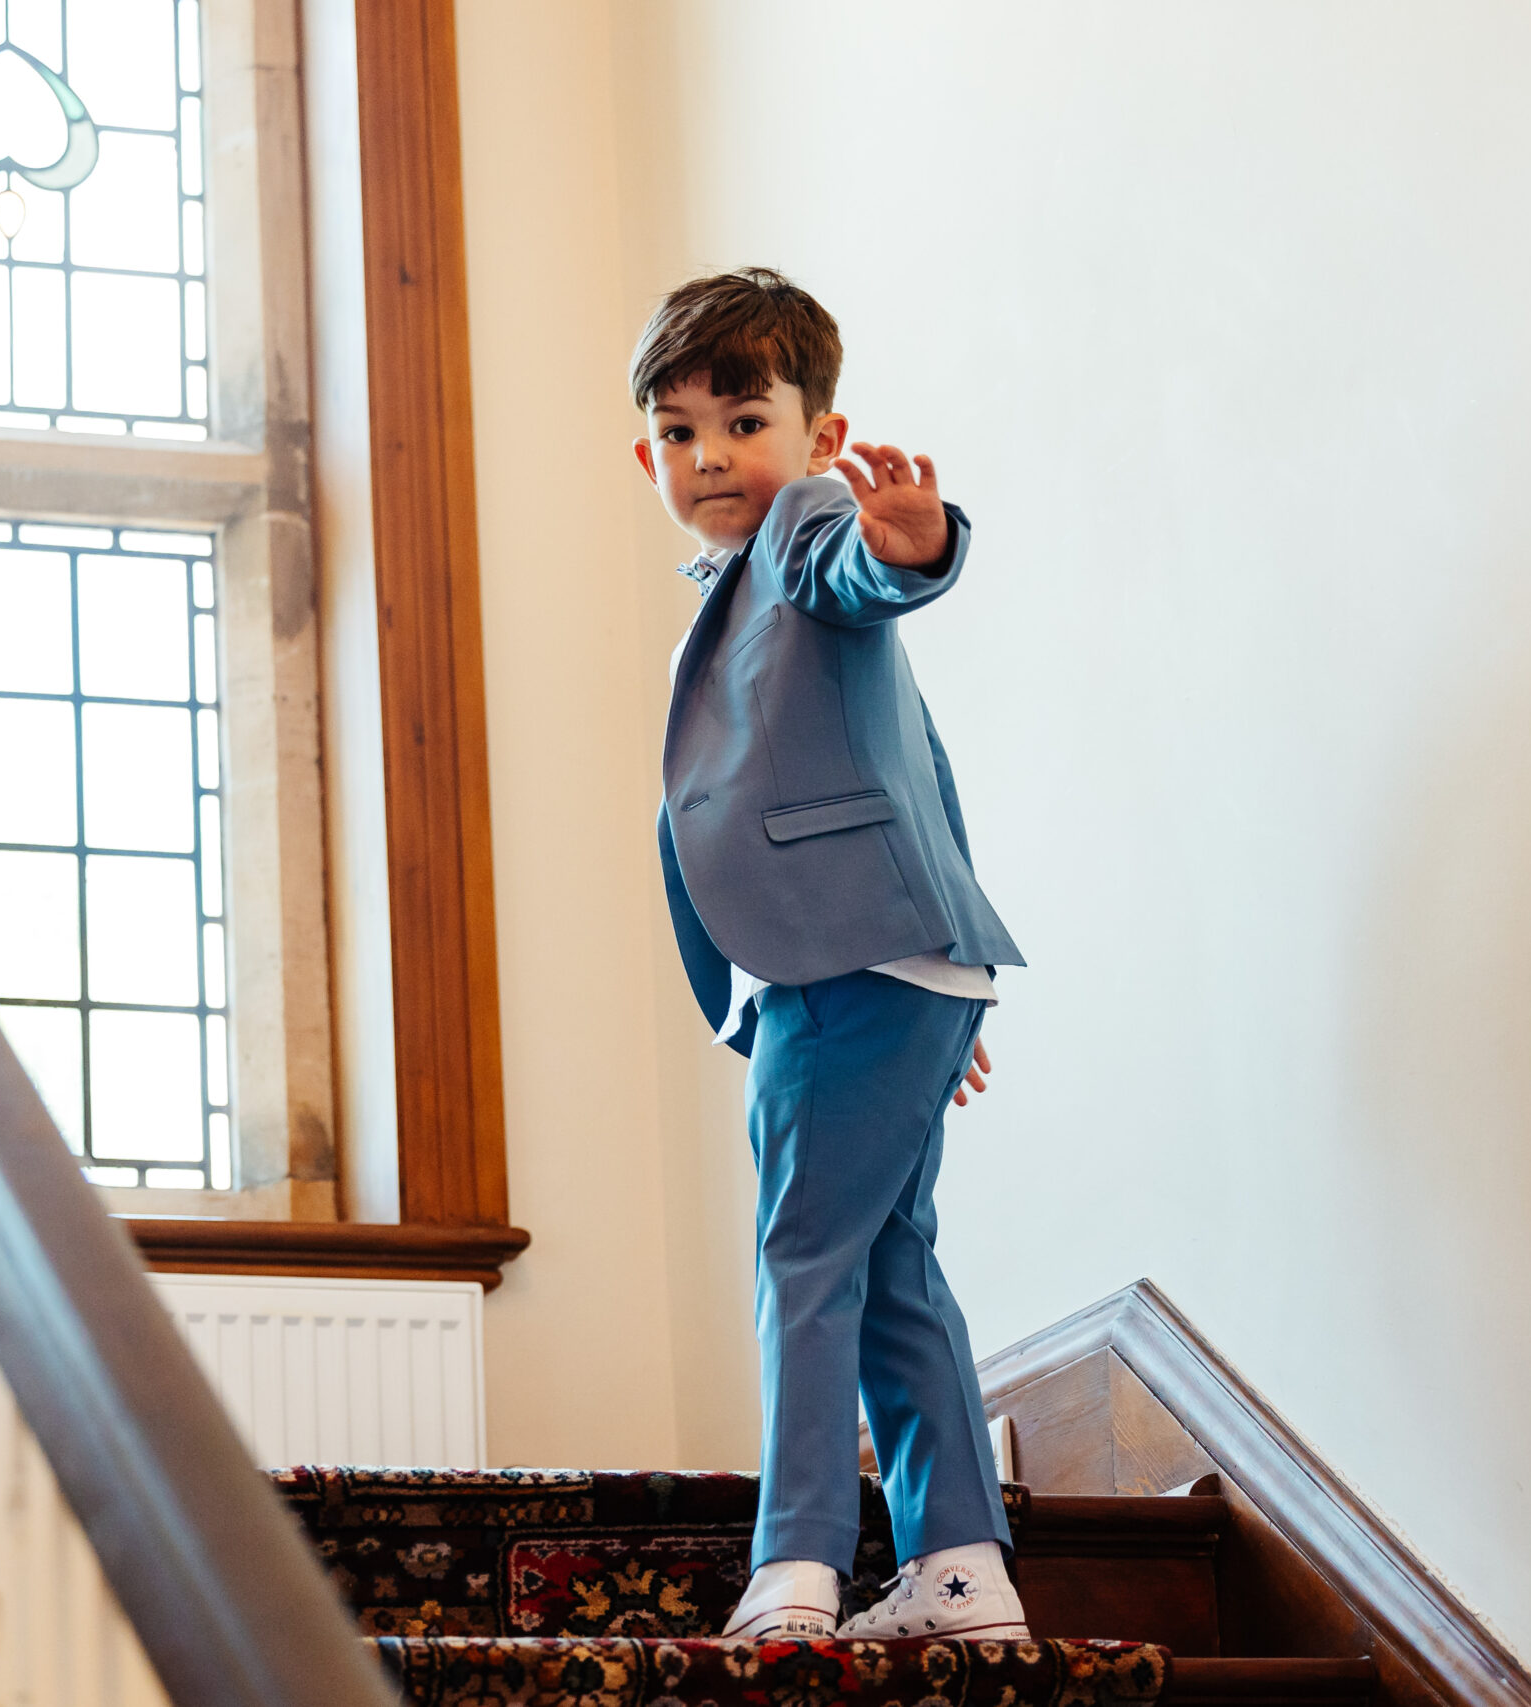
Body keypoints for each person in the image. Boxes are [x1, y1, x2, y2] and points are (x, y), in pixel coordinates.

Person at [633, 268, 1029, 1644]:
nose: (713, 456)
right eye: (680, 432)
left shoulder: (807, 528)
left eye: (744, 419)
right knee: (893, 1265)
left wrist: (909, 547)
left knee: (803, 1260)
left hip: (845, 973)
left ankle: (794, 1568)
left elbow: (858, 575)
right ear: (649, 458)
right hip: (897, 960)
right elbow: (917, 767)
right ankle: (961, 1573)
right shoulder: (738, 583)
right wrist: (942, 958)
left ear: (816, 431)